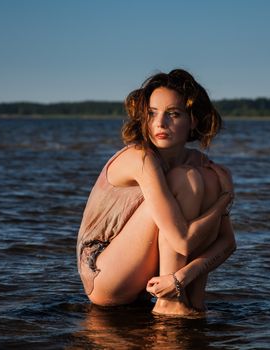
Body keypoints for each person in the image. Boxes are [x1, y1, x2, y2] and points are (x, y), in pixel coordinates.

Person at [76, 69, 236, 316]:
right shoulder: (141, 158)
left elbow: (228, 243)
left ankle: (191, 301)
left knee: (205, 177)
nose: (160, 124)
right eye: (151, 114)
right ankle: (169, 304)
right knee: (186, 178)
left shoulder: (201, 163)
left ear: (192, 120)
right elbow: (182, 241)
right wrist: (224, 200)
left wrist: (182, 276)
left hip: (148, 273)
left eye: (173, 114)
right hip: (103, 271)